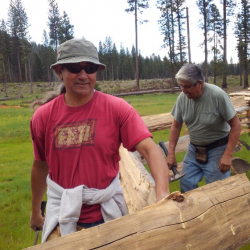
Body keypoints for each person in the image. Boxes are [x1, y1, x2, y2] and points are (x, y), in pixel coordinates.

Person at [29, 38, 170, 242]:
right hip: (61, 215)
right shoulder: (42, 117)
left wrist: (163, 194)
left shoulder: (117, 108)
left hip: (107, 214)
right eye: (75, 67)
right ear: (60, 71)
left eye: (90, 68)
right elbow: (40, 165)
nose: (84, 75)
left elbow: (150, 150)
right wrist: (35, 211)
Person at [167, 63, 241, 193]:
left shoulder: (217, 95)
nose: (183, 91)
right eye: (181, 86)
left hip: (217, 148)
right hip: (194, 149)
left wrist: (227, 155)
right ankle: (192, 213)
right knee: (186, 183)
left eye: (187, 87)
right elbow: (176, 126)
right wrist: (171, 153)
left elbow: (236, 125)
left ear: (199, 83)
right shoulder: (182, 98)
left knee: (217, 191)